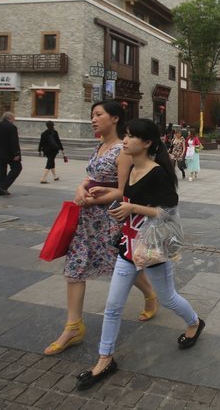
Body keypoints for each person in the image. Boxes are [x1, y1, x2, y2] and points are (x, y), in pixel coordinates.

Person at [76, 118, 204, 390]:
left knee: (168, 298)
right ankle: (105, 358)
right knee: (112, 306)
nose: (125, 140)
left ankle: (194, 322)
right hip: (129, 245)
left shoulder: (157, 173)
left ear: (147, 143)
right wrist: (109, 194)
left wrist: (133, 208)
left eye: (132, 136)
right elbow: (127, 198)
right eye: (126, 135)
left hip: (153, 247)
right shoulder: (131, 167)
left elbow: (168, 213)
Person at [44, 101, 158, 356]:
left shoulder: (122, 150)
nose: (93, 120)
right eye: (92, 115)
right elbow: (89, 177)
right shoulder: (98, 147)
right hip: (86, 220)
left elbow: (122, 191)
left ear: (115, 118)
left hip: (110, 220)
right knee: (75, 267)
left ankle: (151, 294)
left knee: (123, 264)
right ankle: (73, 326)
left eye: (98, 115)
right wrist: (79, 189)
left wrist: (93, 198)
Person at [0, 112, 21, 196]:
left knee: (2, 171)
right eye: (14, 118)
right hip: (10, 154)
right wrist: (16, 154)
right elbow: (14, 142)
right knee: (17, 168)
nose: (14, 120)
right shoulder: (12, 127)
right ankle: (3, 186)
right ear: (10, 118)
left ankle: (1, 191)